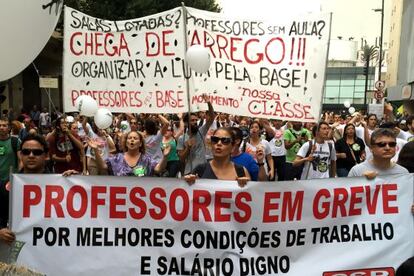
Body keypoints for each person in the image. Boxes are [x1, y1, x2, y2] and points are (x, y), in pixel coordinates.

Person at [184, 127, 250, 187]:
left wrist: (247, 185)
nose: (219, 143)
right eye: (215, 139)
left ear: (233, 147)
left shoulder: (241, 172)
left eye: (225, 140)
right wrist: (188, 184)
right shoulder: (199, 170)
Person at [89, 130, 170, 176]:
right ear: (126, 142)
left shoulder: (146, 160)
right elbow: (103, 166)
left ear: (140, 143)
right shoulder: (117, 158)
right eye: (129, 138)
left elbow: (158, 169)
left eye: (135, 138)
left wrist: (165, 157)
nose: (132, 140)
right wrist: (96, 150)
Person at [177, 94, 215, 174]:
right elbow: (181, 158)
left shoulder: (201, 131)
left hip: (203, 170)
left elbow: (211, 118)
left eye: (196, 120)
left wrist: (208, 103)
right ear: (186, 123)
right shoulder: (181, 138)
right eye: (192, 120)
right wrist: (188, 148)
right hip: (189, 171)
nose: (195, 122)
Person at [0, 117, 20, 230]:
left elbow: (21, 161)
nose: (1, 128)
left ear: (9, 128)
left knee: (10, 208)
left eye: (4, 125)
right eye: (0, 125)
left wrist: (17, 178)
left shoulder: (15, 141)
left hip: (10, 182)